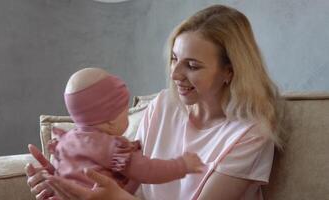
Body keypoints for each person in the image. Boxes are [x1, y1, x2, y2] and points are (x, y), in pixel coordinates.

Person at [26, 4, 283, 200]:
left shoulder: (250, 134)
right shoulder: (164, 105)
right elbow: (127, 179)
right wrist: (68, 178)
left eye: (192, 66)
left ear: (230, 71)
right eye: (174, 59)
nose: (175, 75)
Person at [27, 67, 204, 199]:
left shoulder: (67, 140)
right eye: (125, 111)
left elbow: (64, 176)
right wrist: (182, 166)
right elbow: (149, 171)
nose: (127, 114)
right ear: (111, 120)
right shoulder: (110, 147)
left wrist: (52, 177)